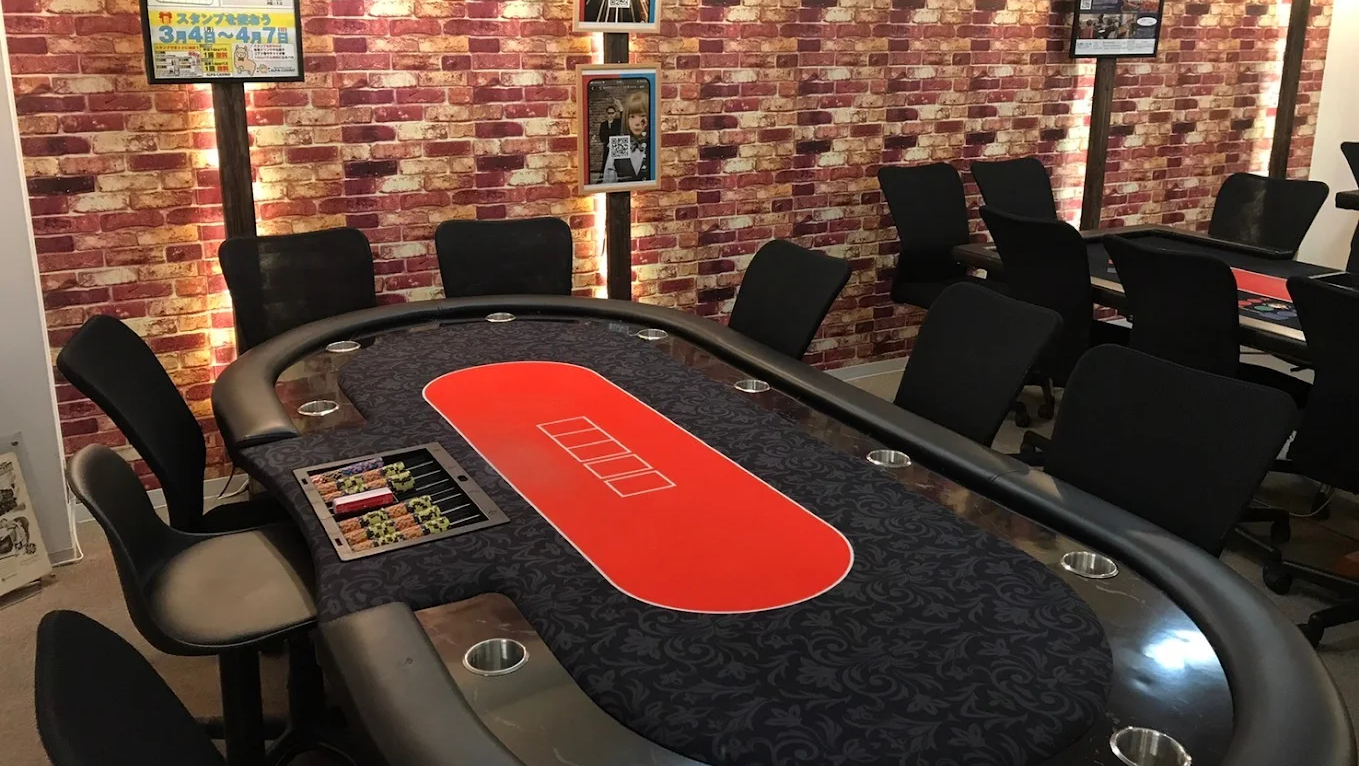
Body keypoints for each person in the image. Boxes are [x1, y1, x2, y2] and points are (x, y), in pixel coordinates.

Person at [602, 90, 650, 185]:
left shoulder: (654, 145)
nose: (637, 122)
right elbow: (608, 183)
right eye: (632, 117)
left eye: (642, 116)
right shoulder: (620, 144)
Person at [597, 103, 621, 178]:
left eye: (612, 113)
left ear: (615, 113)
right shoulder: (603, 124)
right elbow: (601, 135)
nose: (610, 115)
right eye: (609, 113)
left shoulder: (618, 123)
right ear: (606, 114)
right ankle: (603, 177)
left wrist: (620, 107)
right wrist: (606, 142)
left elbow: (624, 117)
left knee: (617, 163)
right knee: (605, 162)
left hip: (616, 145)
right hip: (607, 146)